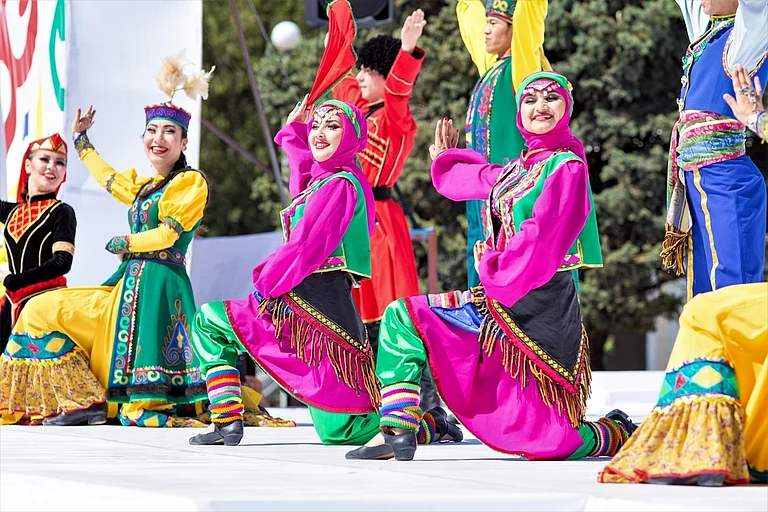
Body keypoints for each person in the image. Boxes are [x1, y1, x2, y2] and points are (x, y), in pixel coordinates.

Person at [346, 72, 632, 462]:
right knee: (403, 317)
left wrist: (491, 267)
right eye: (530, 100)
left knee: (549, 442)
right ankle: (396, 428)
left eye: (551, 98)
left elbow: (541, 239)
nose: (540, 107)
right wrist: (444, 161)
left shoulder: (567, 168)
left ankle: (613, 431)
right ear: (519, 112)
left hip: (540, 309)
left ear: (567, 108)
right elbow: (479, 178)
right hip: (499, 298)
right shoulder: (522, 167)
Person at [188, 98, 459, 447]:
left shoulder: (342, 185)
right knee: (211, 321)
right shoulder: (326, 182)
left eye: (332, 126)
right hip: (296, 305)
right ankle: (226, 420)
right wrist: (294, 133)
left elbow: (305, 248)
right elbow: (302, 186)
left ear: (352, 136)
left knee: (340, 431)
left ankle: (430, 424)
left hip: (321, 313)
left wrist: (265, 283)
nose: (319, 132)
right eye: (316, 125)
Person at [0, 56, 212, 427]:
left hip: (158, 285)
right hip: (126, 285)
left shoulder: (190, 183)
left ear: (183, 142)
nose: (157, 139)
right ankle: (81, 399)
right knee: (40, 311)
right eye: (151, 131)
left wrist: (126, 242)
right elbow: (110, 179)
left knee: (45, 309)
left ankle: (97, 404)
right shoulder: (146, 187)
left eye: (167, 132)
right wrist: (82, 143)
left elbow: (168, 235)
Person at [599, 64, 768, 488]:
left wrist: (756, 122)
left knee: (721, 308)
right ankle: (703, 438)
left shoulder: (750, 38)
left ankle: (719, 441)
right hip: (709, 176)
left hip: (731, 176)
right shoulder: (715, 39)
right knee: (703, 311)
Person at [660, 0, 767, 299]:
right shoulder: (709, 31)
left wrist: (757, 120)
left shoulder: (750, 31)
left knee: (733, 292)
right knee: (704, 295)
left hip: (726, 178)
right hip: (697, 178)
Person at [331, 10, 425, 350]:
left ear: (388, 77)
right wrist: (337, 29)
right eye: (362, 69)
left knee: (389, 312)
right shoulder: (361, 113)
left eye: (370, 71)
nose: (361, 77)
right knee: (355, 313)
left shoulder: (394, 119)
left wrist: (407, 52)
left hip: (380, 220)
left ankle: (420, 396)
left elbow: (400, 95)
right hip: (352, 218)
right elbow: (341, 80)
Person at [458, 0, 551, 287]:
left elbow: (529, 12)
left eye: (494, 24)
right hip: (482, 196)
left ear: (514, 31)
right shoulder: (492, 69)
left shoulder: (521, 72)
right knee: (480, 259)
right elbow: (470, 16)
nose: (485, 31)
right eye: (486, 23)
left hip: (511, 198)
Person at [0, 134, 75, 354]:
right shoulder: (12, 212)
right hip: (12, 307)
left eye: (59, 162)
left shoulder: (61, 211)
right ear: (28, 164)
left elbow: (62, 261)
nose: (52, 167)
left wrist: (14, 280)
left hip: (46, 307)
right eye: (45, 159)